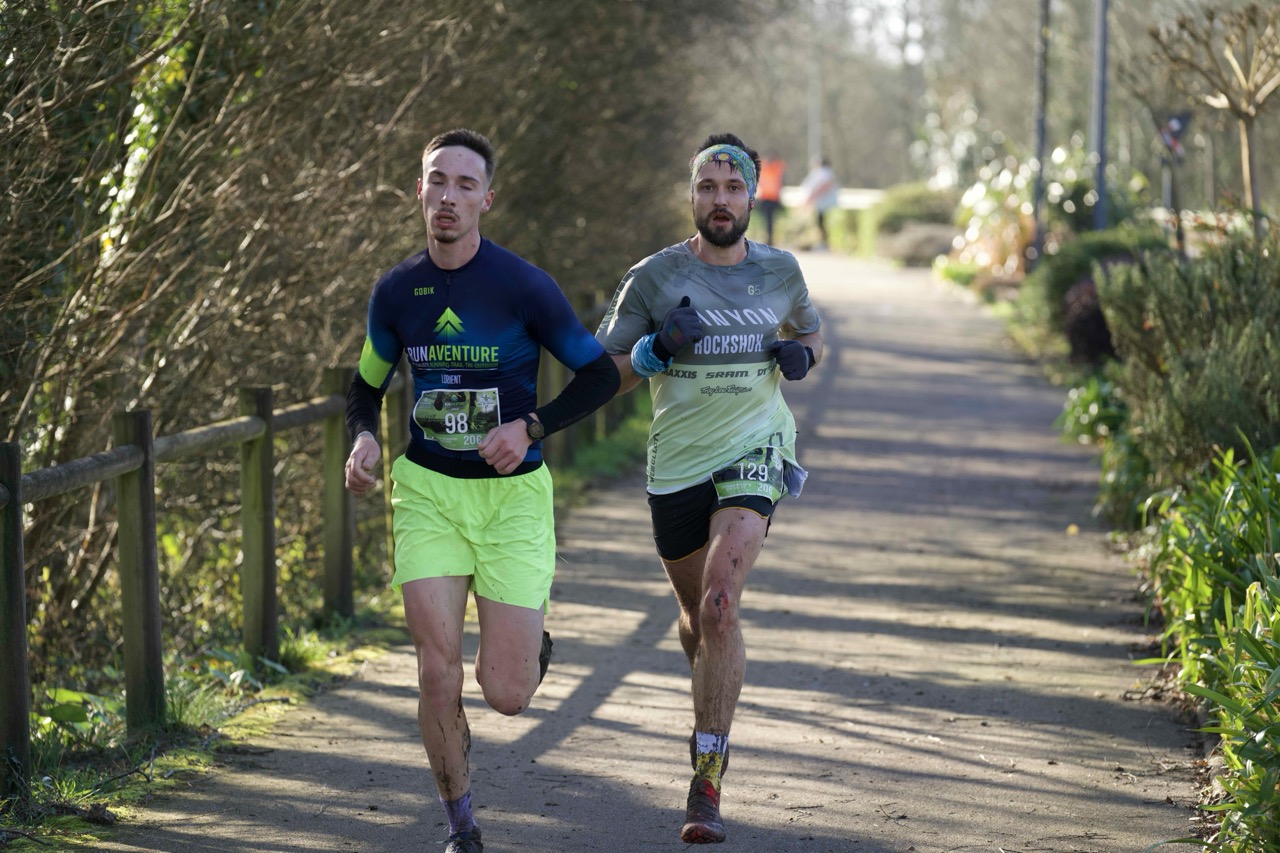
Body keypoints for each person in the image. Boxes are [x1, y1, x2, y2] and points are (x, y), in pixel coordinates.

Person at [344, 127, 620, 853]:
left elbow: (599, 374)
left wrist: (531, 426)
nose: (449, 196)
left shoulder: (523, 286)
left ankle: (528, 647)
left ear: (486, 200)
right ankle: (460, 825)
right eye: (437, 180)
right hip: (429, 491)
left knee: (506, 693)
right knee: (436, 671)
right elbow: (364, 387)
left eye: (465, 185)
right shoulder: (397, 291)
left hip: (511, 497)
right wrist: (364, 437)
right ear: (419, 191)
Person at [595, 132, 824, 844]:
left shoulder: (780, 270)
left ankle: (707, 779)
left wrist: (800, 356)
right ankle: (708, 700)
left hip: (756, 449)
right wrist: (655, 349)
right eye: (707, 187)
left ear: (751, 196)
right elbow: (604, 373)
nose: (720, 200)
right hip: (677, 465)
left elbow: (811, 334)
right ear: (691, 195)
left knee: (721, 603)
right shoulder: (653, 277)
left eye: (732, 187)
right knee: (698, 617)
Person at [800, 156, 839, 250]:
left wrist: (811, 197)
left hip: (825, 205)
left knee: (822, 224)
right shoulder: (824, 172)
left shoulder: (824, 172)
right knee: (819, 223)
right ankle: (822, 243)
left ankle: (825, 243)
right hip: (821, 204)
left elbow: (824, 185)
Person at [755, 153, 786, 245]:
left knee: (770, 220)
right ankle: (768, 237)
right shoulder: (764, 167)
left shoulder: (776, 168)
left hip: (773, 198)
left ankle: (770, 238)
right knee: (767, 219)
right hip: (765, 197)